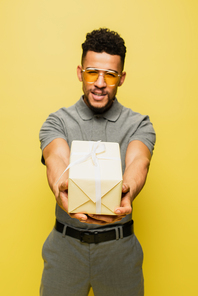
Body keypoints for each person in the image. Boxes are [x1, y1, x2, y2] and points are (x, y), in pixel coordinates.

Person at [39, 28, 156, 296]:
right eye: (92, 72)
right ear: (80, 73)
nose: (100, 83)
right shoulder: (57, 121)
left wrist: (128, 189)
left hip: (119, 251)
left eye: (110, 75)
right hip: (65, 248)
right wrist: (60, 188)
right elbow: (56, 157)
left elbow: (139, 161)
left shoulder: (139, 124)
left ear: (121, 78)